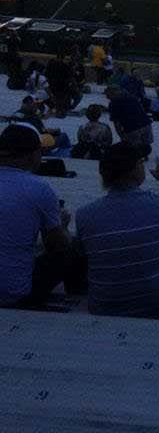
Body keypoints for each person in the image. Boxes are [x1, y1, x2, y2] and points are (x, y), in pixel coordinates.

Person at [75, 144, 159, 320]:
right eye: (141, 162)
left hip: (103, 306)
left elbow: (82, 253)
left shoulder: (84, 214)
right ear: (135, 169)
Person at [0, 122, 81, 307]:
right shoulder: (38, 188)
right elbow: (56, 245)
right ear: (33, 154)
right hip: (13, 293)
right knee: (70, 251)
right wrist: (62, 226)